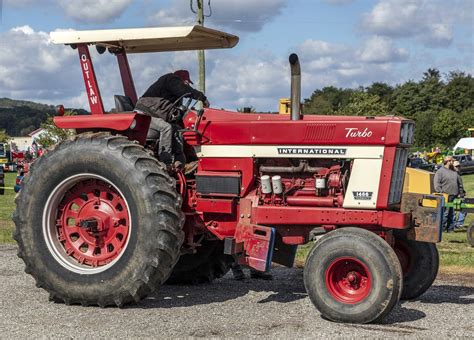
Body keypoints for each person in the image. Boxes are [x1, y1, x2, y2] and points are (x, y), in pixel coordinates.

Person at [135, 70, 209, 167]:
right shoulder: (170, 78)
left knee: (177, 129)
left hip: (156, 114)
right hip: (145, 114)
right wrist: (202, 97)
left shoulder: (174, 96)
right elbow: (183, 89)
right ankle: (165, 162)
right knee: (166, 127)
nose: (187, 84)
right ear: (180, 79)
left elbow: (176, 116)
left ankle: (182, 162)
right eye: (186, 82)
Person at [434, 156, 463, 232]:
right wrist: (440, 193)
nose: (453, 163)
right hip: (445, 196)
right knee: (445, 213)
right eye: (452, 161)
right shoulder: (440, 172)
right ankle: (442, 229)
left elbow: (459, 183)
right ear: (448, 161)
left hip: (454, 195)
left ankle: (450, 229)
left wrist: (461, 192)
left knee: (452, 213)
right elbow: (436, 184)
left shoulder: (454, 171)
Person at [453, 160, 467, 229]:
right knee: (462, 209)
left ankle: (457, 223)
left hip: (459, 194)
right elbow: (456, 186)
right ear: (453, 167)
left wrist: (463, 191)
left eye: (459, 166)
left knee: (458, 209)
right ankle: (457, 223)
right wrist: (460, 194)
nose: (458, 167)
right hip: (456, 195)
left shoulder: (457, 174)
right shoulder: (454, 175)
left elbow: (460, 186)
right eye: (456, 166)